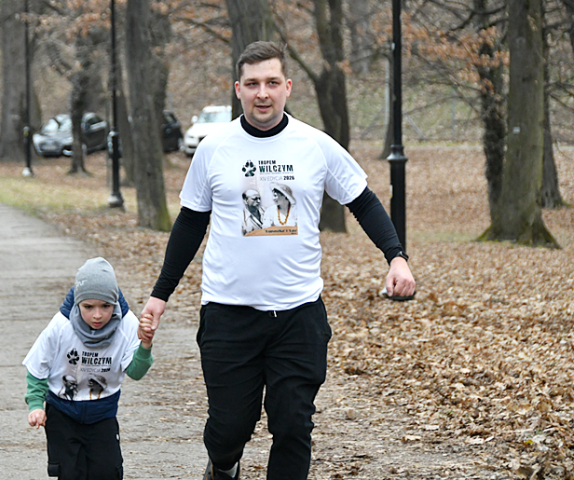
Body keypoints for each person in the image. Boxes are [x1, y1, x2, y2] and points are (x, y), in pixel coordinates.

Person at [140, 41, 416, 480]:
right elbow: (191, 223)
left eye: (271, 82)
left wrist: (396, 258)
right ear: (238, 89)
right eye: (252, 84)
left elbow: (362, 202)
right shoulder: (214, 148)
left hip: (298, 314)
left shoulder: (315, 145)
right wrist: (160, 295)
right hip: (229, 314)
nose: (262, 93)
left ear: (288, 87)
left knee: (292, 426)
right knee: (230, 427)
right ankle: (223, 464)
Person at [23, 257, 155, 480]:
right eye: (88, 307)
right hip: (62, 411)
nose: (97, 315)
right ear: (77, 304)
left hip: (102, 412)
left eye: (105, 306)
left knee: (107, 472)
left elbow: (135, 372)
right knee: (70, 473)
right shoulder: (61, 325)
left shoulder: (128, 324)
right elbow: (38, 366)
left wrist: (146, 345)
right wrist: (35, 405)